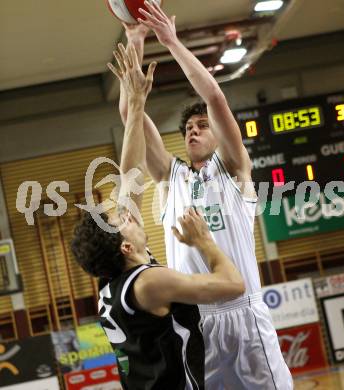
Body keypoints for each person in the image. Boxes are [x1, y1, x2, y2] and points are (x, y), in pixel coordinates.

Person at [116, 2, 293, 389]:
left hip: (244, 316)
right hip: (195, 323)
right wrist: (136, 39)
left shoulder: (233, 171)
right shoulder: (169, 177)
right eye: (188, 129)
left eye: (201, 126)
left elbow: (214, 97)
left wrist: (170, 41)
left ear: (216, 134)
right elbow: (130, 111)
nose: (194, 132)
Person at [71, 43, 245, 390]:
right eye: (123, 221)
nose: (128, 215)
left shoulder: (116, 280)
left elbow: (130, 174)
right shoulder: (150, 283)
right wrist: (204, 243)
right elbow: (233, 285)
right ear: (123, 246)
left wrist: (135, 105)